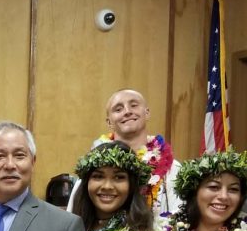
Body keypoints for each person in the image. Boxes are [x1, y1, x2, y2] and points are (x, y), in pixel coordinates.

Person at [68, 89, 181, 217]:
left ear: (147, 113)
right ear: (109, 122)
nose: (127, 112)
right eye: (118, 109)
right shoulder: (93, 166)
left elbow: (181, 221)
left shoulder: (172, 169)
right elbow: (74, 218)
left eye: (134, 105)